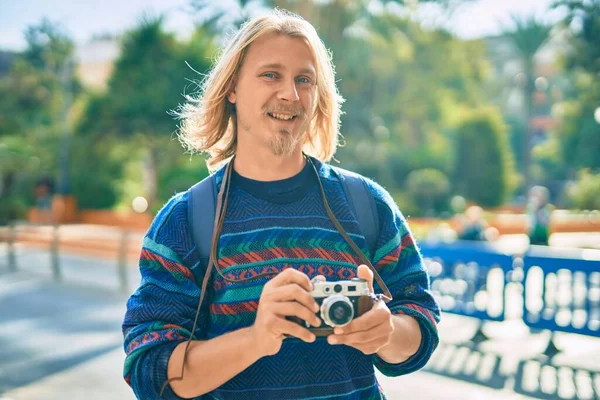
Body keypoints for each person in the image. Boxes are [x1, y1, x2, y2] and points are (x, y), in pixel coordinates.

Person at [122, 9, 440, 400]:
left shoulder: (367, 204)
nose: (290, 94)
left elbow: (421, 323)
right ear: (233, 88)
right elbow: (150, 371)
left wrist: (386, 331)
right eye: (271, 74)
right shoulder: (185, 220)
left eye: (304, 79)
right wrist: (258, 337)